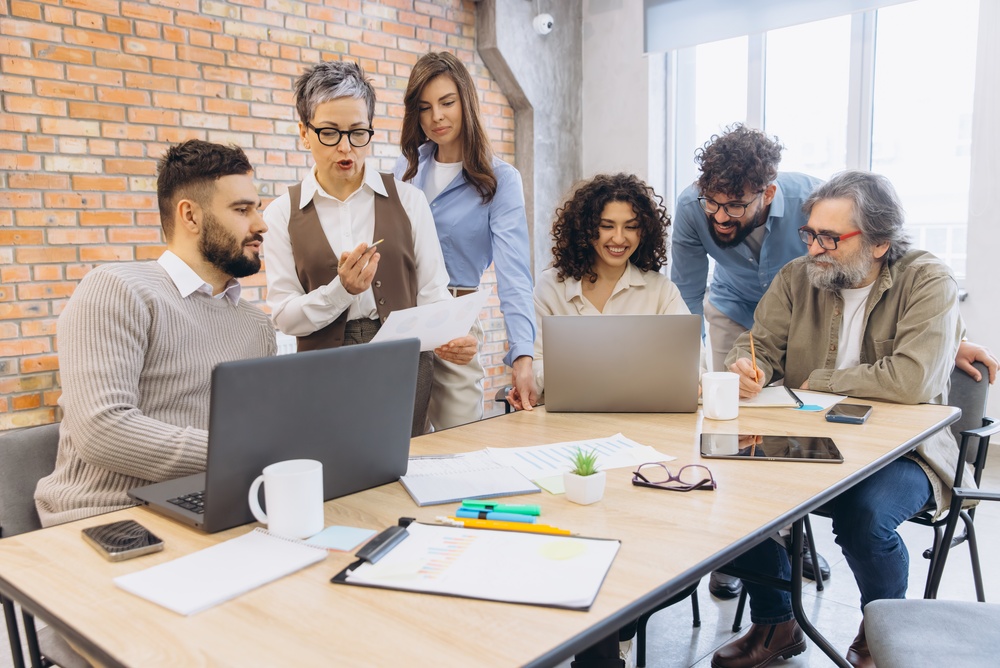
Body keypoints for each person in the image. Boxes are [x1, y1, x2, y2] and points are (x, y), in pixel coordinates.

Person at [712, 171, 983, 668]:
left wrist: (819, 380)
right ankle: (776, 623)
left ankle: (881, 633)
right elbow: (758, 345)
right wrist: (747, 368)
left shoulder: (927, 279)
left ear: (878, 243)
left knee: (864, 518)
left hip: (907, 452)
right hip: (808, 438)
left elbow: (912, 382)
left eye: (830, 238)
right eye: (809, 233)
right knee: (716, 490)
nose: (814, 248)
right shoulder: (798, 276)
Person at [35, 140, 277, 527]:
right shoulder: (118, 289)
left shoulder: (255, 324)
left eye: (257, 209)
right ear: (190, 216)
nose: (260, 224)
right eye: (242, 209)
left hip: (215, 504)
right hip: (108, 514)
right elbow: (102, 430)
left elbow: (257, 431)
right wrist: (242, 452)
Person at [263, 60, 478, 436]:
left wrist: (452, 338)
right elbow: (283, 315)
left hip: (403, 363)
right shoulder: (282, 213)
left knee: (403, 463)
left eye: (358, 132)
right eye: (329, 133)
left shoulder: (409, 201)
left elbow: (432, 293)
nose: (346, 148)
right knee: (334, 472)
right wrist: (339, 292)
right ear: (304, 132)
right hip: (321, 370)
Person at [395, 51, 536, 426]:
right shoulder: (403, 171)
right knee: (399, 449)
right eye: (424, 107)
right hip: (402, 321)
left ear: (466, 102)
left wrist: (523, 354)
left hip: (454, 326)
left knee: (458, 446)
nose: (436, 116)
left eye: (447, 102)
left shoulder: (500, 180)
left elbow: (514, 275)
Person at [507, 173, 689, 411]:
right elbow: (533, 364)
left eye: (631, 227)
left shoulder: (661, 291)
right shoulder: (551, 287)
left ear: (643, 232)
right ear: (586, 228)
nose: (619, 238)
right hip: (566, 422)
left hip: (642, 419)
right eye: (607, 226)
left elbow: (693, 365)